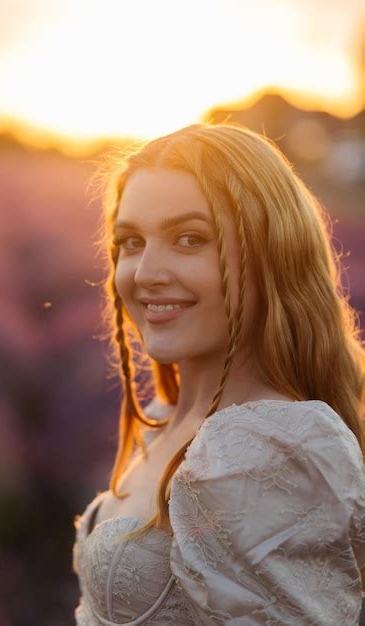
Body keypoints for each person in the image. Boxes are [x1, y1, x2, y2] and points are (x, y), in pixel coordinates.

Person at [73, 122, 365, 625]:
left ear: (273, 254)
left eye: (189, 239)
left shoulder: (270, 448)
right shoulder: (168, 421)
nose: (145, 273)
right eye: (132, 241)